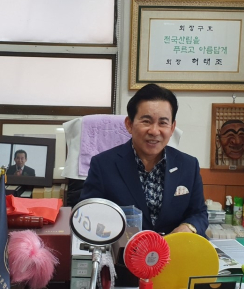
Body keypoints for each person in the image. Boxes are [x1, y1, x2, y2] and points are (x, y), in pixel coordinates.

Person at [79, 84, 209, 236]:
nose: (154, 131)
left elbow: (199, 213)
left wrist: (188, 227)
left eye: (163, 123)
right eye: (146, 121)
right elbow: (88, 216)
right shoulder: (103, 165)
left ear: (172, 128)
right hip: (123, 249)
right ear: (129, 124)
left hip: (175, 248)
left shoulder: (188, 165)